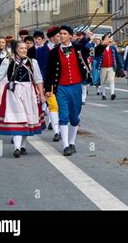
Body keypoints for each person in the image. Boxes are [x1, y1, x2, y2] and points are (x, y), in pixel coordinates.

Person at [0, 40, 46, 158]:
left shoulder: (33, 62)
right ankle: (16, 147)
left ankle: (23, 146)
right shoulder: (8, 61)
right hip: (13, 91)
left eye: (25, 48)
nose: (24, 50)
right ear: (16, 49)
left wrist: (41, 95)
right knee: (18, 117)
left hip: (29, 92)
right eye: (21, 48)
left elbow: (39, 80)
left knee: (27, 117)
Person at [45, 25, 91, 156]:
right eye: (60, 34)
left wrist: (101, 44)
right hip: (61, 88)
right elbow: (49, 72)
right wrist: (48, 88)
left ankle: (72, 142)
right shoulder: (54, 52)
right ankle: (65, 145)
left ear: (71, 36)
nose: (62, 36)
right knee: (63, 116)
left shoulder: (79, 49)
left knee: (74, 117)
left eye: (65, 33)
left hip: (76, 87)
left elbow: (95, 50)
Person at [36, 26, 61, 141]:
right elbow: (38, 69)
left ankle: (57, 124)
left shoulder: (63, 48)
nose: (60, 37)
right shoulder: (40, 51)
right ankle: (57, 132)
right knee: (53, 105)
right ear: (51, 38)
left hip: (62, 82)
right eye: (58, 35)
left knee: (62, 107)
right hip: (48, 84)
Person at [94, 33, 124, 101]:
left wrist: (121, 65)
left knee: (111, 80)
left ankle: (112, 93)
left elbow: (117, 57)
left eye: (110, 38)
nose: (110, 40)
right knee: (103, 81)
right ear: (104, 40)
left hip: (111, 67)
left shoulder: (113, 48)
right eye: (108, 38)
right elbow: (95, 56)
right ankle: (103, 94)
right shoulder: (100, 47)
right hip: (102, 67)